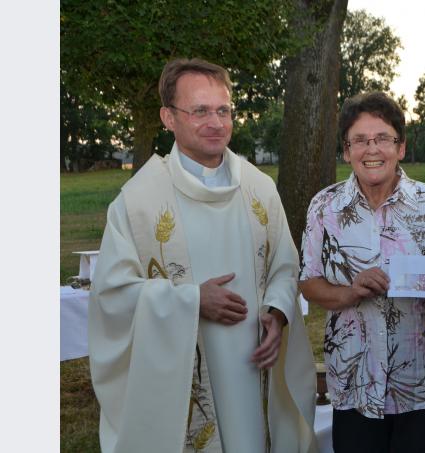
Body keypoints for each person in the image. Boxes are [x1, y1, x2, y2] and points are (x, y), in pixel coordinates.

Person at [89, 58, 317, 453]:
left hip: (252, 362)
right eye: (200, 111)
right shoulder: (139, 203)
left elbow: (285, 262)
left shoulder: (259, 189)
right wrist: (192, 301)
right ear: (168, 117)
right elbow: (111, 294)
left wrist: (278, 313)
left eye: (223, 110)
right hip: (183, 378)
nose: (215, 122)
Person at [298, 92, 425, 453]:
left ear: (400, 147)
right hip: (355, 386)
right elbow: (309, 283)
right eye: (360, 140)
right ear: (346, 151)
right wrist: (350, 292)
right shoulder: (324, 208)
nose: (372, 150)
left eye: (383, 139)